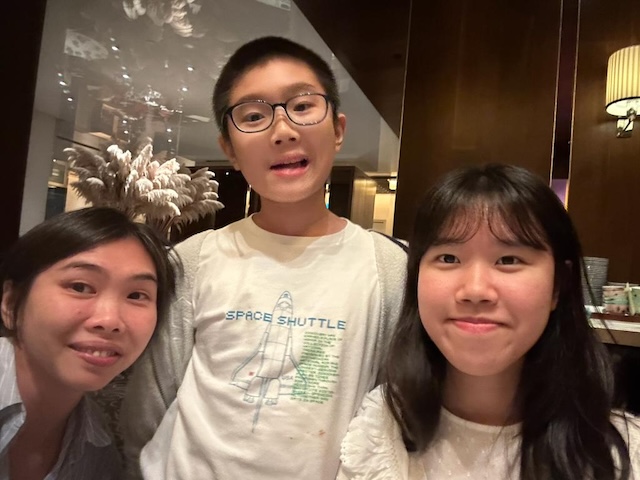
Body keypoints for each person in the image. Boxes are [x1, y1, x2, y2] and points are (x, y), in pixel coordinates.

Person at [120, 36, 407, 480]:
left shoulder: (389, 267)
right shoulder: (193, 260)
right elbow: (148, 409)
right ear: (229, 148)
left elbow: (388, 417)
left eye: (303, 106)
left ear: (338, 129)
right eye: (254, 116)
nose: (283, 131)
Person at [338, 164, 640, 479]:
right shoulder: (382, 427)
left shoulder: (622, 455)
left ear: (558, 286)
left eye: (508, 260)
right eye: (449, 258)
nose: (475, 290)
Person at [0, 207, 177, 480]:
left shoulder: (99, 450)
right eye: (80, 287)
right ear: (11, 304)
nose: (110, 320)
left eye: (136, 295)